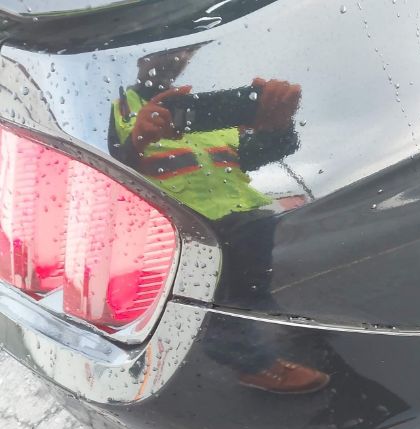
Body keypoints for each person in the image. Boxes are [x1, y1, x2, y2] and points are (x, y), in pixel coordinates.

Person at [109, 46, 328, 394]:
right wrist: (136, 141)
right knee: (217, 305)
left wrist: (279, 125)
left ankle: (272, 321)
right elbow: (111, 174)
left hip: (245, 218)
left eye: (183, 52)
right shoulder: (119, 107)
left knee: (252, 284)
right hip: (191, 229)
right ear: (138, 58)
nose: (175, 58)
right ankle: (253, 365)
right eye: (161, 52)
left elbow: (262, 154)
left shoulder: (201, 112)